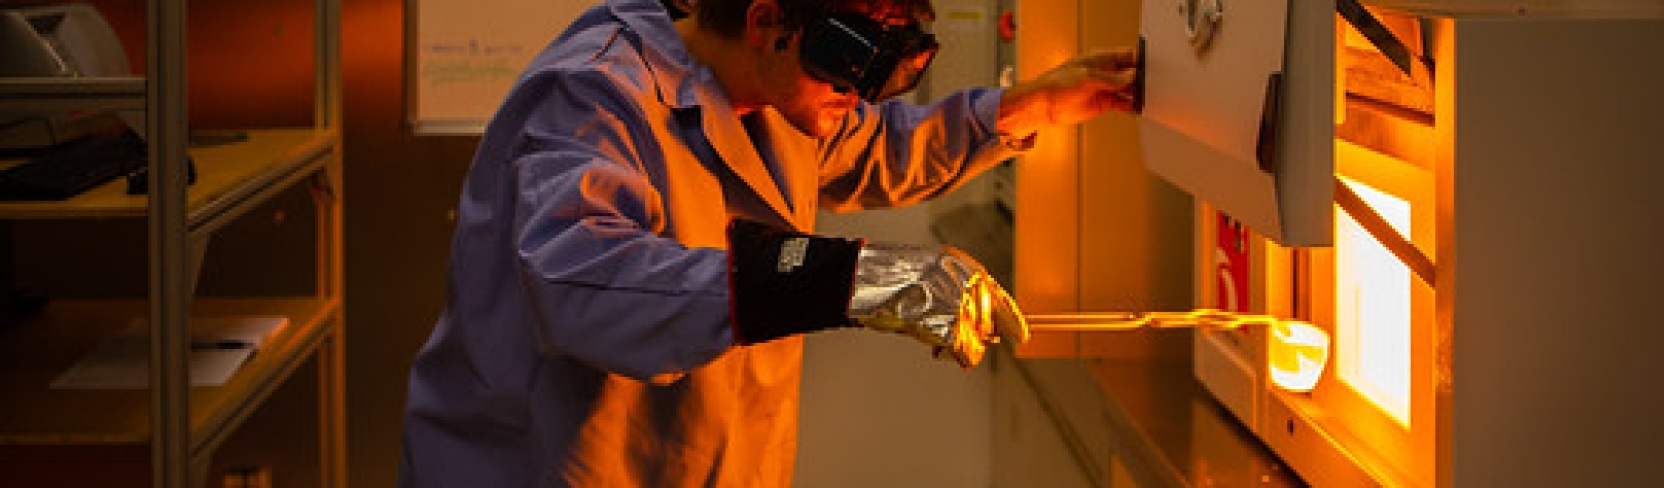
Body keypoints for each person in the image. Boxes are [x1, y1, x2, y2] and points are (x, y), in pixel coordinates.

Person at [398, 0, 1138, 485]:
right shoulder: (592, 96)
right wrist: (849, 277)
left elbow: (876, 145)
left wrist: (1031, 107)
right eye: (850, 66)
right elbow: (581, 284)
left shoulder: (780, 90)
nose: (858, 95)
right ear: (766, 20)